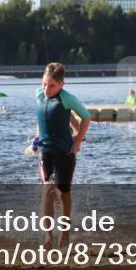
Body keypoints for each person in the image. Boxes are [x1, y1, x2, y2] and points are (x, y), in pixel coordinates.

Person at [36, 62, 90, 249]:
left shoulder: (67, 98)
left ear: (61, 85)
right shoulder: (38, 94)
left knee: (63, 194)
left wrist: (78, 140)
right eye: (44, 84)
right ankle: (48, 237)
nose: (46, 89)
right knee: (47, 190)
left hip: (65, 153)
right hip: (46, 152)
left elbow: (86, 117)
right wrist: (37, 137)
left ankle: (65, 233)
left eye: (51, 85)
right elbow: (43, 117)